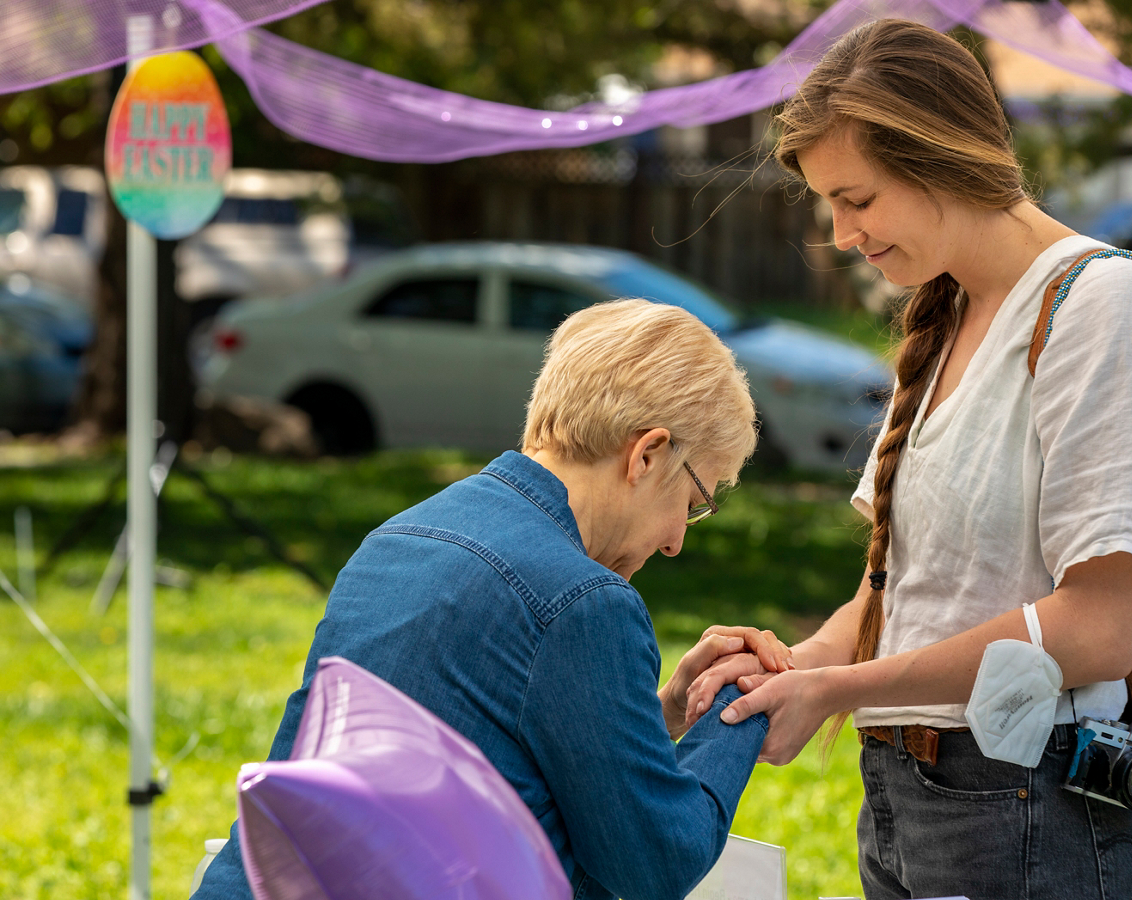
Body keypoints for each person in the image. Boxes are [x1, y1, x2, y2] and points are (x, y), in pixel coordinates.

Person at [684, 19, 1132, 900]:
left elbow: (1099, 626)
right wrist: (792, 668)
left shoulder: (1104, 308)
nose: (841, 232)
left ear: (938, 158)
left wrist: (844, 687)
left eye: (857, 198)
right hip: (907, 797)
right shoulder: (949, 317)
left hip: (1035, 804)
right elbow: (902, 596)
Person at [193, 298, 792, 900]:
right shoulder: (584, 603)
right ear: (647, 455)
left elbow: (487, 751)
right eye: (691, 503)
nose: (675, 541)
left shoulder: (397, 538)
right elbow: (656, 864)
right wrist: (742, 704)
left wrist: (658, 715)